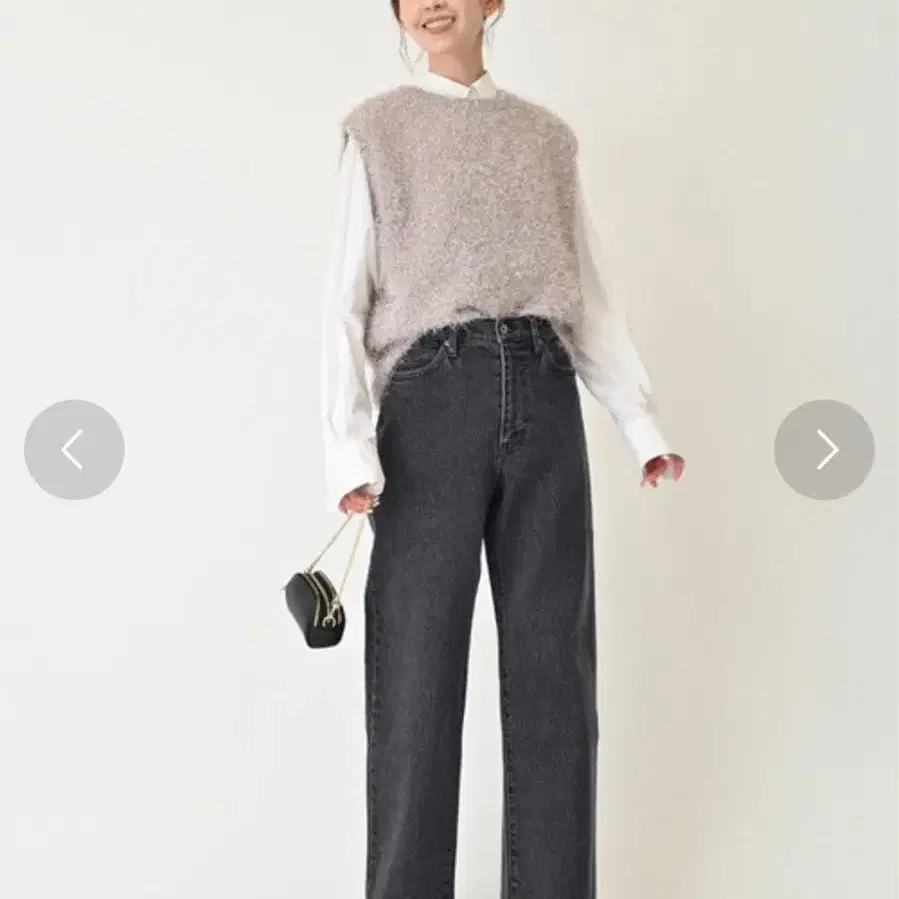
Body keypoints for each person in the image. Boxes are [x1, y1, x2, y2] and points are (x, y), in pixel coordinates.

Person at [320, 2, 686, 897]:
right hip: (427, 404)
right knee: (415, 677)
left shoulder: (545, 140)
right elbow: (343, 302)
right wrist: (349, 448)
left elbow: (588, 293)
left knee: (555, 677)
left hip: (546, 393)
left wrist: (638, 424)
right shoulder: (378, 130)